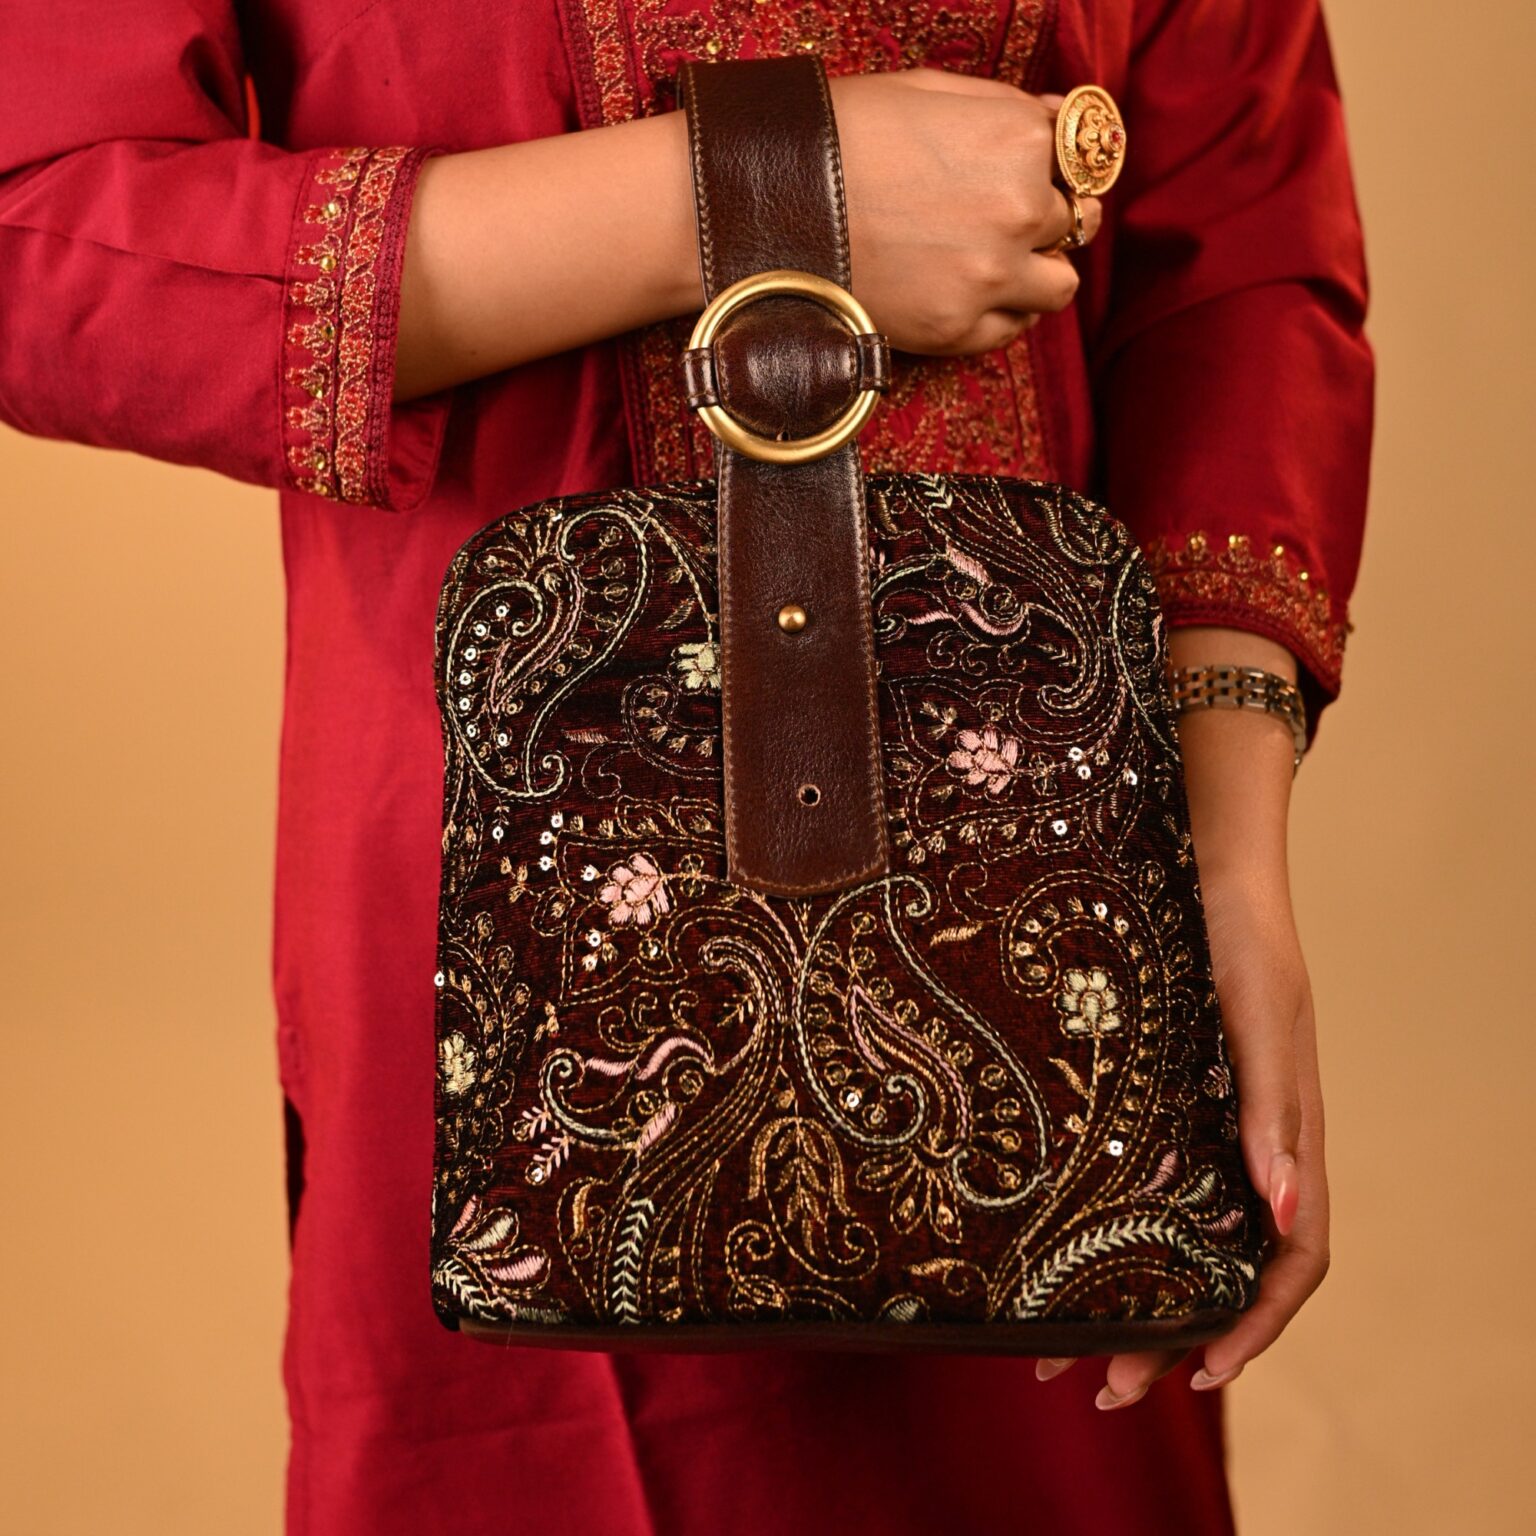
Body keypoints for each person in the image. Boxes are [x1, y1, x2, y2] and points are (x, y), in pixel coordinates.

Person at [0, 3, 1371, 1533]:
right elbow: (42, 231)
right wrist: (754, 193)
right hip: (510, 918)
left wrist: (1228, 864)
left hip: (1053, 924)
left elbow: (1239, 252)